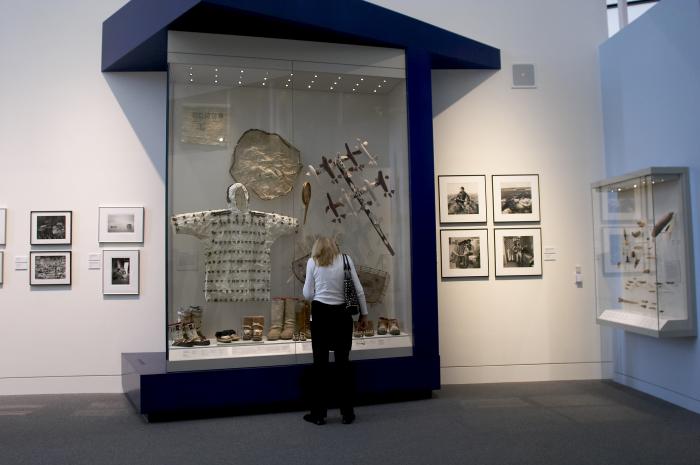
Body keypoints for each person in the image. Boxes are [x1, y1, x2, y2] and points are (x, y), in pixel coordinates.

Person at [302, 236, 368, 425]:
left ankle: (319, 414)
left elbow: (307, 294)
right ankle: (347, 413)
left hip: (321, 315)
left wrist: (319, 294)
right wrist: (363, 315)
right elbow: (359, 289)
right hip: (342, 315)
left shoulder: (312, 262)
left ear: (317, 248)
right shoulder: (346, 260)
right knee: (343, 364)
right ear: (335, 247)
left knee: (320, 365)